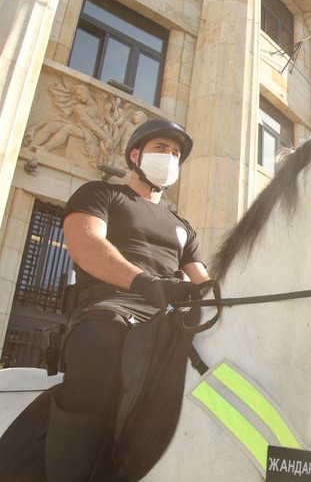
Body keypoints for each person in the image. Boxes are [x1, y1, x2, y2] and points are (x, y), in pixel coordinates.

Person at [46, 118, 210, 482]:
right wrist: (145, 281)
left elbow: (203, 279)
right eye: (160, 149)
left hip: (169, 316)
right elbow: (87, 245)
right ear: (135, 155)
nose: (170, 157)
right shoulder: (100, 194)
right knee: (99, 343)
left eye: (175, 153)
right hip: (110, 307)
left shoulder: (183, 225)